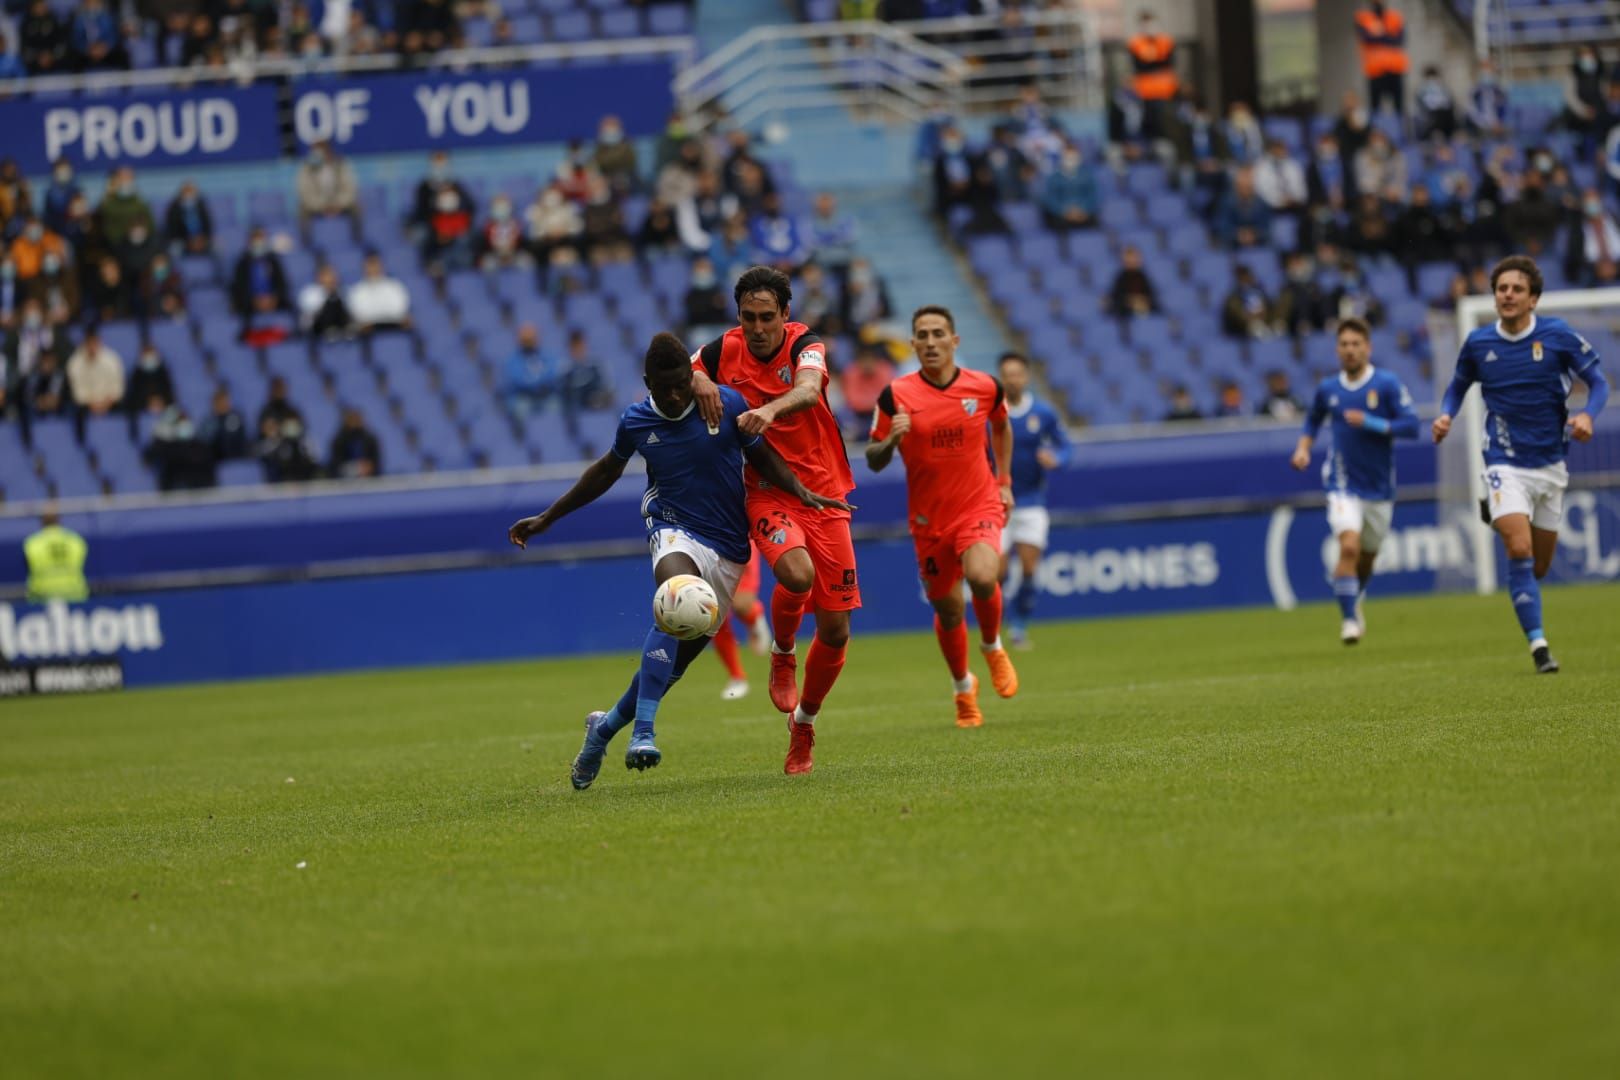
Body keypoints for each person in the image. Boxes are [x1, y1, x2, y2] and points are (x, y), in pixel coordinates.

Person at [508, 333, 850, 787]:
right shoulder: (636, 421)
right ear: (647, 381)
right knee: (676, 597)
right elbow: (606, 471)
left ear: (692, 378)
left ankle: (603, 729)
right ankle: (644, 734)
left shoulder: (725, 405)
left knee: (670, 666)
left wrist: (801, 491)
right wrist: (549, 517)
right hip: (671, 528)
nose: (672, 396)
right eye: (662, 387)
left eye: (680, 385)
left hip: (728, 547)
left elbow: (764, 458)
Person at [688, 266, 859, 774]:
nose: (759, 327)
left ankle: (803, 726)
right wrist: (699, 379)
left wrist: (770, 411)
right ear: (738, 317)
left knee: (835, 630)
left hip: (825, 491)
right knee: (795, 573)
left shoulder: (806, 343)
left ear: (786, 315)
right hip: (766, 491)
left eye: (768, 317)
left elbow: (809, 390)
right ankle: (782, 652)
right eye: (749, 318)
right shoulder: (722, 350)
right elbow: (680, 370)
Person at [1433, 255, 1609, 673]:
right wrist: (1445, 414)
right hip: (1503, 458)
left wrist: (1588, 415)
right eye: (1501, 289)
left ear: (1533, 299)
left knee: (1539, 566)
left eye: (1516, 289)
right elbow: (1458, 386)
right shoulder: (1478, 343)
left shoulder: (1557, 336)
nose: (1507, 295)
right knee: (1519, 548)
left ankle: (1494, 513)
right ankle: (1540, 647)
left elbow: (1599, 383)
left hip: (1550, 464)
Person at [865, 307, 1017, 727]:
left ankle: (991, 646)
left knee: (985, 576)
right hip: (929, 521)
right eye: (922, 335)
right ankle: (963, 689)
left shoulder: (984, 387)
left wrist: (1003, 480)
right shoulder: (895, 396)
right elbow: (873, 459)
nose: (930, 342)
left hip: (979, 504)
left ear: (955, 341)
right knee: (949, 611)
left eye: (938, 334)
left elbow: (1002, 427)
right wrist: (891, 439)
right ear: (912, 345)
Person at [1291, 317, 1420, 644]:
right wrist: (1303, 448)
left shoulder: (1387, 384)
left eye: (1356, 344)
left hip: (1379, 488)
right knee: (1348, 546)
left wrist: (1372, 423)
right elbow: (1312, 420)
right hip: (1342, 483)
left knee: (1366, 558)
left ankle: (1354, 599)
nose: (1350, 350)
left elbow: (1412, 426)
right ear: (1337, 350)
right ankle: (1349, 620)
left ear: (1368, 348)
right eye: (1344, 345)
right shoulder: (1328, 389)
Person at [993, 352, 1072, 650]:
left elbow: (1067, 447)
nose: (1012, 379)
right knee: (996, 572)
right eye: (1007, 374)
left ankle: (1019, 625)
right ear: (1000, 378)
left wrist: (1058, 458)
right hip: (997, 502)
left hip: (1032, 502)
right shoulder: (991, 413)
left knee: (1028, 569)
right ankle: (994, 627)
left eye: (1017, 373)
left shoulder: (1043, 413)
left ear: (1025, 377)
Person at [1125, 10, 1177, 139]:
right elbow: (1139, 66)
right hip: (1145, 91)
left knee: (1166, 120)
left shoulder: (1166, 41)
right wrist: (1156, 62)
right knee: (1148, 121)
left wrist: (1152, 62)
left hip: (1166, 90)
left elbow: (1169, 63)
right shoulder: (1136, 43)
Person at [296, 140, 361, 238]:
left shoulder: (341, 165)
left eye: (318, 152)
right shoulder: (307, 168)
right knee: (302, 211)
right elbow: (304, 192)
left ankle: (357, 241)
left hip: (339, 204)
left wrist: (338, 204)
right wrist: (322, 206)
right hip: (317, 206)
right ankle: (307, 245)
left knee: (357, 208)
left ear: (327, 152)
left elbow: (350, 188)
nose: (315, 155)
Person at [1355, 1, 1408, 120]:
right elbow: (1367, 39)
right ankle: (1377, 133)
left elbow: (1399, 40)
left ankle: (1399, 132)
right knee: (1375, 108)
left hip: (1395, 69)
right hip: (1375, 70)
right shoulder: (1363, 18)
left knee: (1398, 107)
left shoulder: (1395, 17)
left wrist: (1379, 36)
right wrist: (1388, 35)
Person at [23, 510, 88, 603]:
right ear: (59, 520)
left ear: (42, 522)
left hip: (42, 596)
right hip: (74, 594)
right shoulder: (75, 540)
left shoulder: (33, 543)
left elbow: (28, 566)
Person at [502, 322, 560, 418]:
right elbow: (517, 380)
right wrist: (537, 381)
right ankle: (522, 433)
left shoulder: (547, 356)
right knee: (520, 407)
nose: (528, 344)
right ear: (520, 341)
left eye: (531, 340)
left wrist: (536, 381)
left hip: (545, 396)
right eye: (526, 341)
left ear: (536, 339)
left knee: (555, 405)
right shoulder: (513, 360)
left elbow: (553, 373)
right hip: (524, 397)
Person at [345, 253, 411, 334]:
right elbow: (359, 314)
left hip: (395, 326)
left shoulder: (395, 286)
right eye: (370, 266)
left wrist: (384, 317)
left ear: (382, 266)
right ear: (364, 268)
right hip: (370, 330)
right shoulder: (357, 291)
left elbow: (400, 309)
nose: (373, 269)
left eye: (376, 265)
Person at [66, 326, 124, 416]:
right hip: (86, 404)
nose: (92, 347)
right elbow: (77, 392)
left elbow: (117, 386)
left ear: (99, 342)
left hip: (110, 402)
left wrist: (107, 403)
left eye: (95, 343)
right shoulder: (74, 363)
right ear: (84, 343)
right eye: (89, 343)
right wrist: (91, 404)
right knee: (75, 410)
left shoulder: (112, 359)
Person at [328, 406, 381, 478]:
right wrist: (356, 468)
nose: (355, 422)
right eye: (352, 419)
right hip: (345, 480)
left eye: (357, 419)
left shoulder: (370, 440)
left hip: (369, 479)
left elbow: (376, 462)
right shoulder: (339, 441)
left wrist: (369, 467)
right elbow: (335, 465)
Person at [1106, 245, 1159, 317]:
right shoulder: (1120, 277)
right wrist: (1131, 301)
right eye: (1128, 259)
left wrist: (1142, 301)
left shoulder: (1143, 277)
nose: (1132, 261)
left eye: (1134, 258)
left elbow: (1151, 296)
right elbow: (1116, 297)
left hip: (1143, 310)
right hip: (1125, 311)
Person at [164, 181, 214, 255]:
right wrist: (188, 241)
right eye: (187, 193)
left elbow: (208, 224)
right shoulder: (174, 208)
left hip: (201, 240)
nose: (189, 195)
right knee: (173, 251)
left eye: (191, 192)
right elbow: (173, 229)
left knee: (218, 248)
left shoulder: (201, 206)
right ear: (182, 194)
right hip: (183, 241)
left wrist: (203, 239)